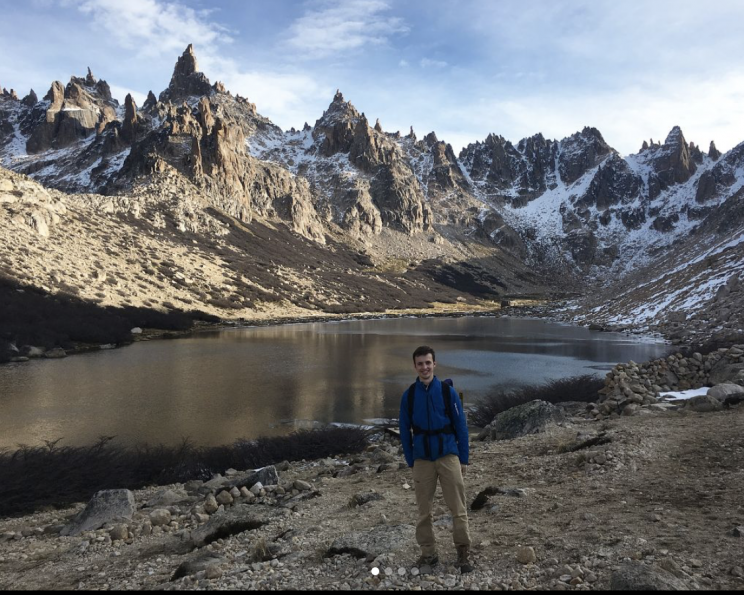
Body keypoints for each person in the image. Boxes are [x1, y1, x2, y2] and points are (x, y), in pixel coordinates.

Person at [399, 345, 473, 573]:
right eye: (420, 363)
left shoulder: (447, 392)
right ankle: (428, 554)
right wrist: (411, 460)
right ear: (415, 366)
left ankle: (462, 552)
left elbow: (461, 426)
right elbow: (404, 429)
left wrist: (463, 458)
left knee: (458, 507)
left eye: (428, 362)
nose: (424, 367)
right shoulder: (409, 395)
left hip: (448, 455)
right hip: (422, 459)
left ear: (434, 364)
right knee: (424, 511)